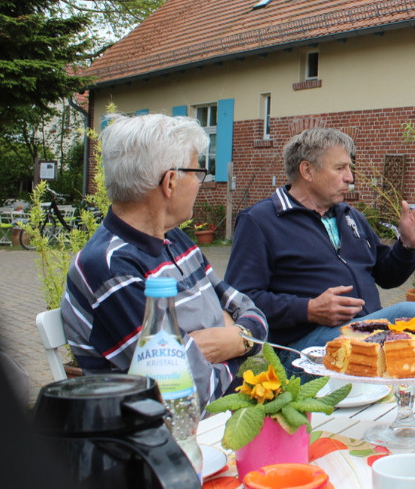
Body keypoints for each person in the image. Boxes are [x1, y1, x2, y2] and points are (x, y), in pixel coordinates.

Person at [60, 114, 268, 405]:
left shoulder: (174, 239)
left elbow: (250, 312)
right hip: (156, 435)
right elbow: (189, 394)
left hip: (220, 417)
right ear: (170, 182)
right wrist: (234, 338)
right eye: (197, 173)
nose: (199, 183)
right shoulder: (109, 267)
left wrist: (226, 340)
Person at [225, 127, 415, 366]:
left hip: (366, 332)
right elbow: (240, 301)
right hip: (303, 350)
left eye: (349, 168)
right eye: (340, 168)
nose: (350, 178)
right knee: (414, 312)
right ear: (307, 170)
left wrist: (408, 245)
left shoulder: (350, 216)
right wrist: (308, 309)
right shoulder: (260, 221)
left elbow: (386, 275)